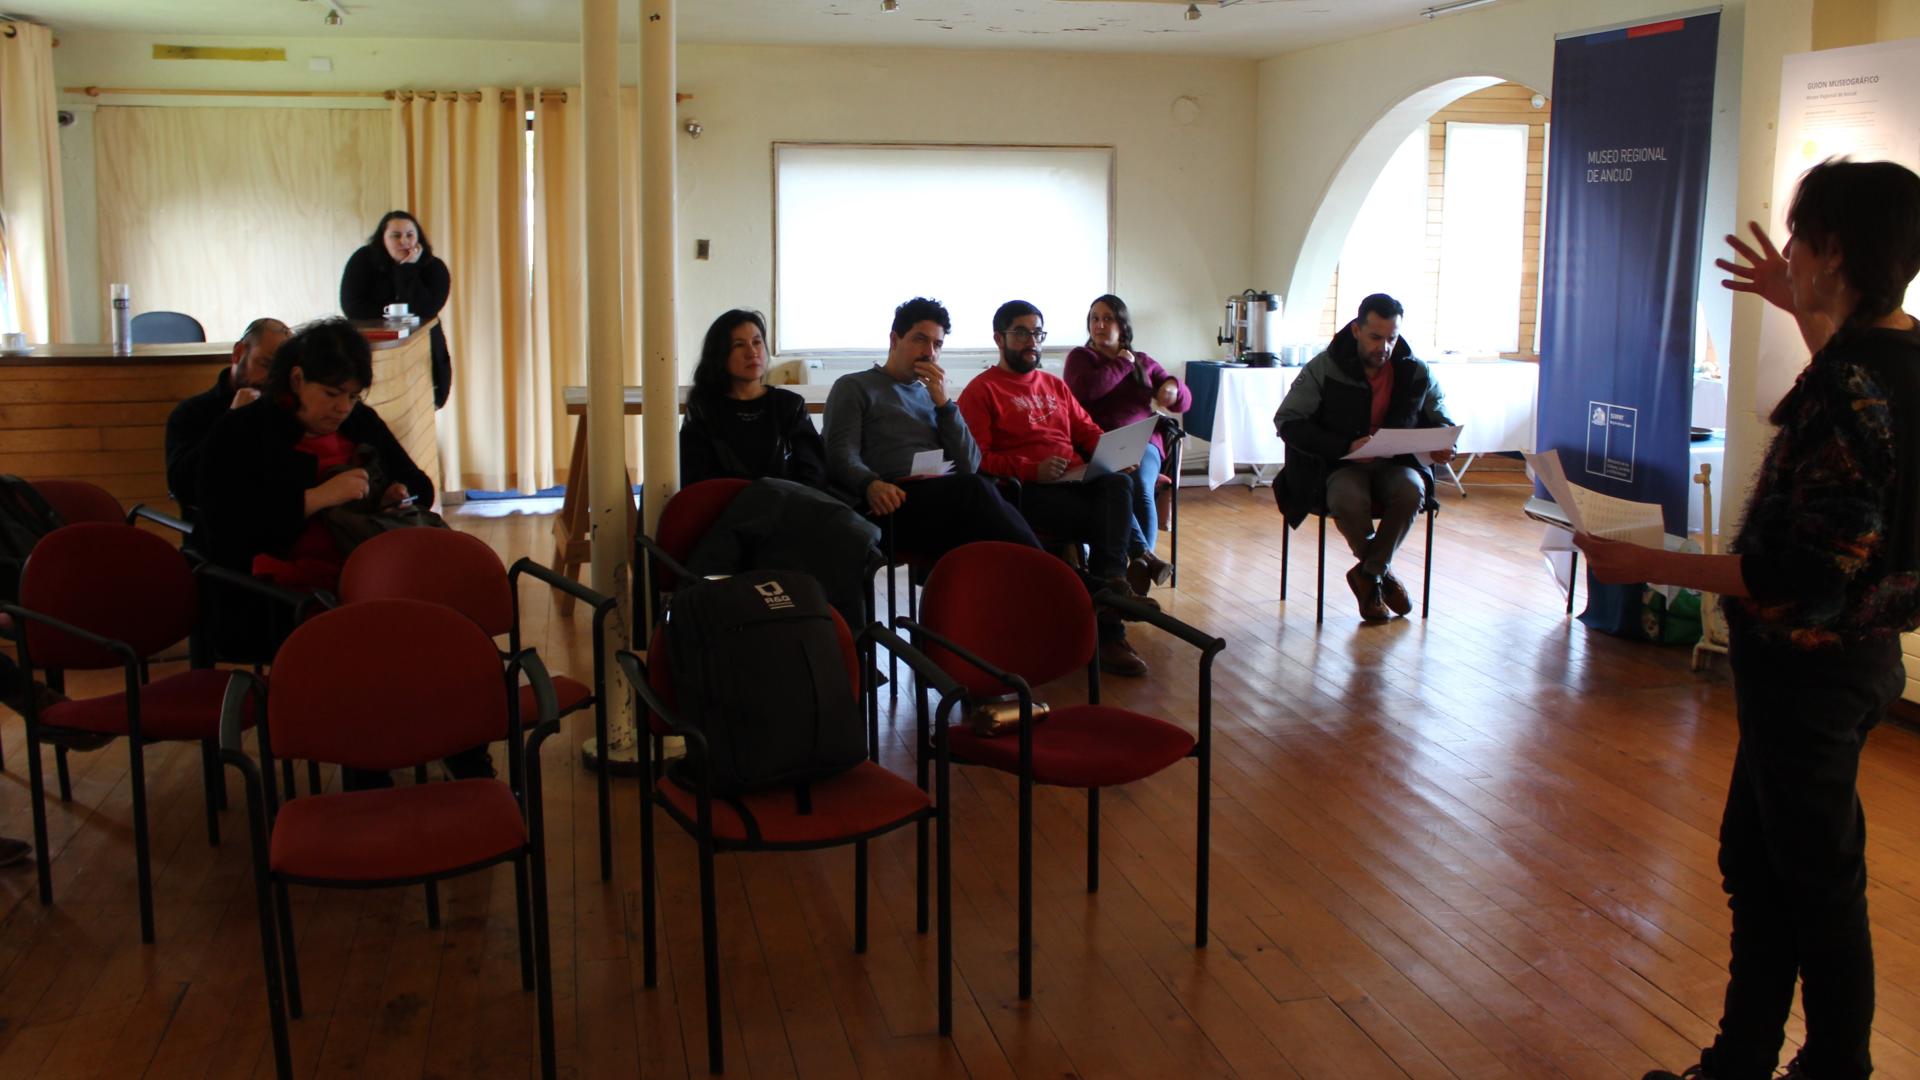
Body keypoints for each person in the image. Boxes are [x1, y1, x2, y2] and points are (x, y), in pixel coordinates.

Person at [1581, 159, 1920, 1080]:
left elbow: (1800, 575)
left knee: (1811, 885)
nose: (1793, 253)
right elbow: (1864, 411)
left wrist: (1641, 561)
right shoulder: (1898, 358)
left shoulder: (1847, 390)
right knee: (1764, 863)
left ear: (1833, 249)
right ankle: (1740, 1059)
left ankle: (1830, 1065)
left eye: (1802, 238)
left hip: (1810, 672)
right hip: (1851, 664)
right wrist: (1802, 311)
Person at [957, 300, 1159, 677]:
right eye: (1021, 333)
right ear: (999, 338)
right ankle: (1110, 630)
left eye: (1037, 333)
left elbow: (1088, 431)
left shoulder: (1053, 385)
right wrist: (1033, 469)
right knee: (1107, 522)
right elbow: (977, 459)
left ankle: (1112, 586)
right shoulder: (981, 391)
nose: (1032, 341)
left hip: (1074, 482)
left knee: (1117, 482)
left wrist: (1114, 454)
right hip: (1025, 493)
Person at [1272, 293, 1455, 623]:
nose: (1384, 347)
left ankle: (1369, 575)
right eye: (1375, 337)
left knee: (1412, 491)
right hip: (1339, 463)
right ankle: (1378, 574)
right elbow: (1288, 422)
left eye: (1392, 338)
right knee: (1347, 497)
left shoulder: (1414, 370)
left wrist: (1443, 441)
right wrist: (1345, 444)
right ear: (1356, 330)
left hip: (1397, 463)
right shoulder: (1325, 367)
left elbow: (1439, 414)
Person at [822, 296, 1041, 562]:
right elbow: (839, 454)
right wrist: (870, 484)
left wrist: (944, 404)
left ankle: (1042, 583)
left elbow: (969, 463)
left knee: (985, 503)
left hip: (942, 498)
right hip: (890, 502)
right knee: (976, 495)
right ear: (894, 340)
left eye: (937, 344)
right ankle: (1062, 580)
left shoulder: (934, 396)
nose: (930, 352)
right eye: (920, 339)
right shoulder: (854, 387)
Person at [1063, 293, 1191, 596]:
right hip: (1097, 443)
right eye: (1095, 318)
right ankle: (1136, 562)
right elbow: (1084, 393)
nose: (1100, 324)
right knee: (1116, 482)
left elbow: (1182, 399)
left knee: (1139, 485)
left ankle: (1140, 571)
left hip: (1143, 440)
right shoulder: (1081, 359)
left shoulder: (1142, 361)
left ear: (1122, 325)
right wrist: (1121, 364)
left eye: (1108, 318)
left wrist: (1173, 387)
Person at [680, 309, 827, 488]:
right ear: (720, 354)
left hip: (788, 508)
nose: (752, 352)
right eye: (739, 345)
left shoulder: (789, 405)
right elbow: (695, 477)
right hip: (725, 510)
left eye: (757, 342)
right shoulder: (704, 408)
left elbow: (814, 473)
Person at [164, 316, 290, 516]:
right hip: (218, 531)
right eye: (265, 364)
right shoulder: (192, 413)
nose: (270, 379)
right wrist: (231, 422)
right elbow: (183, 487)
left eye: (280, 372)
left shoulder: (284, 409)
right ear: (238, 353)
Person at [339, 210, 453, 408]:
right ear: (382, 238)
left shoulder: (434, 267)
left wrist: (407, 270)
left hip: (421, 353)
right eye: (395, 235)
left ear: (418, 238)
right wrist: (396, 311)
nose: (404, 241)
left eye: (410, 235)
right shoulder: (363, 260)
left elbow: (426, 310)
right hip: (373, 353)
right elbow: (352, 307)